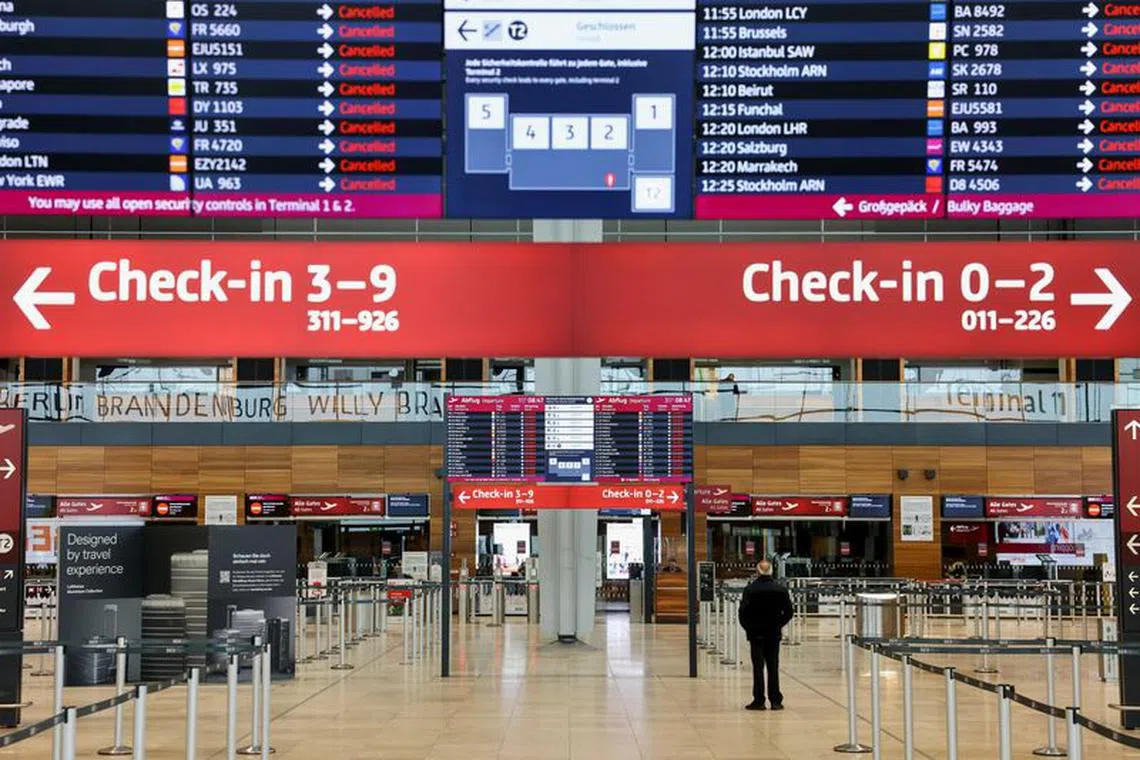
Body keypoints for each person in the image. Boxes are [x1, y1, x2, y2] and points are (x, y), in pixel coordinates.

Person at [738, 559, 794, 711]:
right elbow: (789, 612)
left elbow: (743, 613)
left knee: (758, 667)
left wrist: (749, 628)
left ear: (757, 572)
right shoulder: (780, 590)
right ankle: (775, 700)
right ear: (771, 571)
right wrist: (778, 624)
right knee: (773, 666)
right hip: (773, 633)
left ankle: (759, 700)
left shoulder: (750, 590)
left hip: (756, 634)